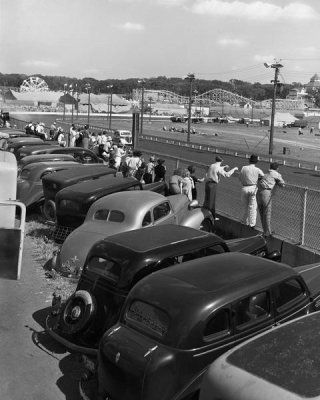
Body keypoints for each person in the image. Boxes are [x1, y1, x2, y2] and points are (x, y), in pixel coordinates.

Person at [203, 156, 238, 220]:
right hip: (212, 185)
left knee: (207, 200)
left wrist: (224, 167)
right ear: (222, 161)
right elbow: (227, 175)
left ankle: (211, 216)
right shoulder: (218, 168)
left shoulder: (212, 165)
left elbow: (218, 168)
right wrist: (234, 169)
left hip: (207, 184)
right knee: (211, 202)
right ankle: (209, 218)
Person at [257, 162, 285, 237]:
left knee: (262, 213)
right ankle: (268, 233)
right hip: (266, 194)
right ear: (277, 168)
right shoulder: (276, 174)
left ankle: (265, 231)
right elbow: (283, 185)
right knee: (267, 213)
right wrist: (277, 182)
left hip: (258, 193)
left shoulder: (265, 174)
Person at [239, 154, 264, 228]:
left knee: (245, 206)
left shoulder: (244, 168)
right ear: (256, 162)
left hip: (244, 187)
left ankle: (245, 221)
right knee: (252, 207)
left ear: (249, 160)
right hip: (253, 188)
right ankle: (252, 224)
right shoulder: (257, 169)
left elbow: (239, 178)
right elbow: (263, 176)